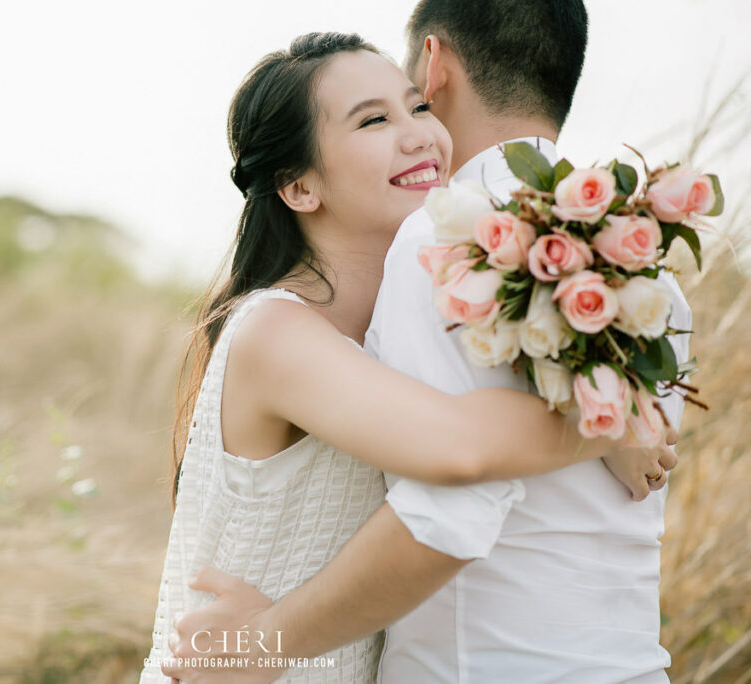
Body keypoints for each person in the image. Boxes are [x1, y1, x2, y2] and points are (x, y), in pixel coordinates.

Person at [162, 2, 692, 683]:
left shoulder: (474, 269)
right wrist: (614, 410)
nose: (421, 136)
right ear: (297, 184)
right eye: (375, 119)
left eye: (417, 108)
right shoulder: (277, 329)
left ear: (435, 71)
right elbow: (464, 454)